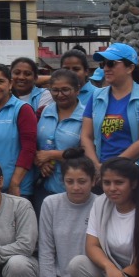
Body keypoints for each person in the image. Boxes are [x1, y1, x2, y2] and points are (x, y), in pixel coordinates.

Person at [26, 151, 96, 277]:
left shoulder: (100, 204)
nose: (76, 187)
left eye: (82, 181)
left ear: (93, 181)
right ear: (62, 181)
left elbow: (102, 251)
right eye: (69, 181)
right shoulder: (51, 203)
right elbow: (46, 247)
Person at [81, 42, 139, 178]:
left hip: (135, 174)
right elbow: (86, 136)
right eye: (103, 64)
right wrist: (96, 166)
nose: (106, 68)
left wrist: (111, 167)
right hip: (102, 173)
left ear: (130, 68)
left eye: (111, 63)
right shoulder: (96, 97)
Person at [0, 64, 38, 204]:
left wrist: (15, 183)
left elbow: (29, 149)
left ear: (10, 84)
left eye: (0, 81)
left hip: (16, 189)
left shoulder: (22, 109)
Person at [34, 69, 87, 199]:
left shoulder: (86, 116)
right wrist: (40, 160)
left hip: (74, 189)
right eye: (55, 90)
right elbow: (33, 142)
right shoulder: (44, 111)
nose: (60, 95)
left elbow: (89, 152)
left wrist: (52, 155)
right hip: (44, 187)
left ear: (77, 90)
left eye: (65, 90)